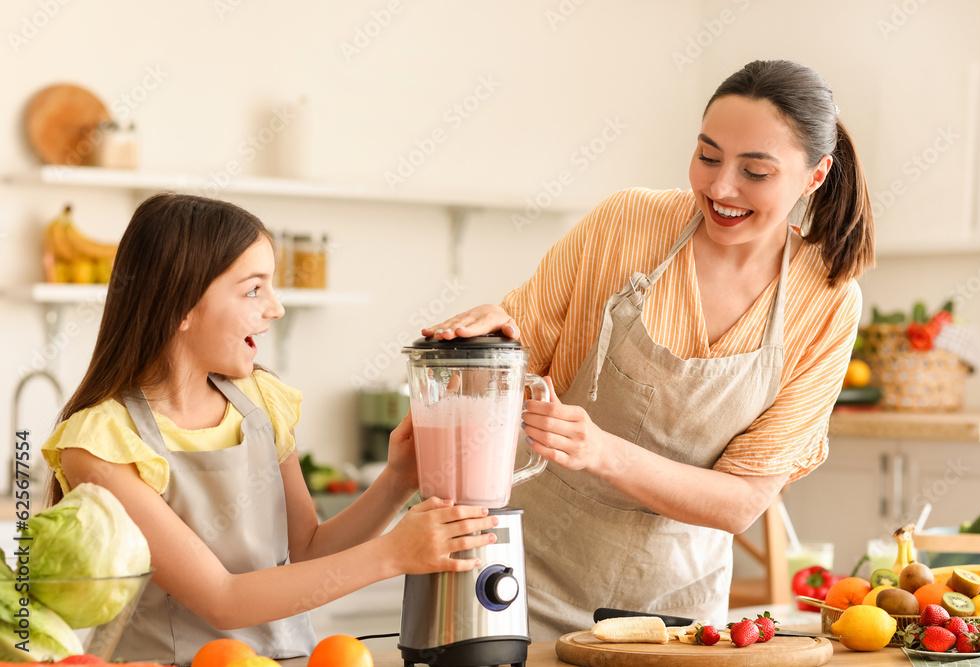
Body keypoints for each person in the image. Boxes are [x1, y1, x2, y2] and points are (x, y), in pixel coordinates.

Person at [425, 60, 875, 639]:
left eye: (755, 172)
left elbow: (740, 504)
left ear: (815, 177)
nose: (720, 188)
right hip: (517, 576)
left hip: (676, 613)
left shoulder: (828, 299)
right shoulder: (626, 223)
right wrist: (486, 341)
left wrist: (602, 451)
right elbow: (517, 356)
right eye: (708, 157)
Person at [41, 193, 497, 664]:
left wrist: (398, 480)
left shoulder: (262, 403)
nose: (275, 308)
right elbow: (222, 599)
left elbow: (306, 552)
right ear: (181, 305)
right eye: (254, 289)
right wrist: (391, 555)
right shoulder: (102, 444)